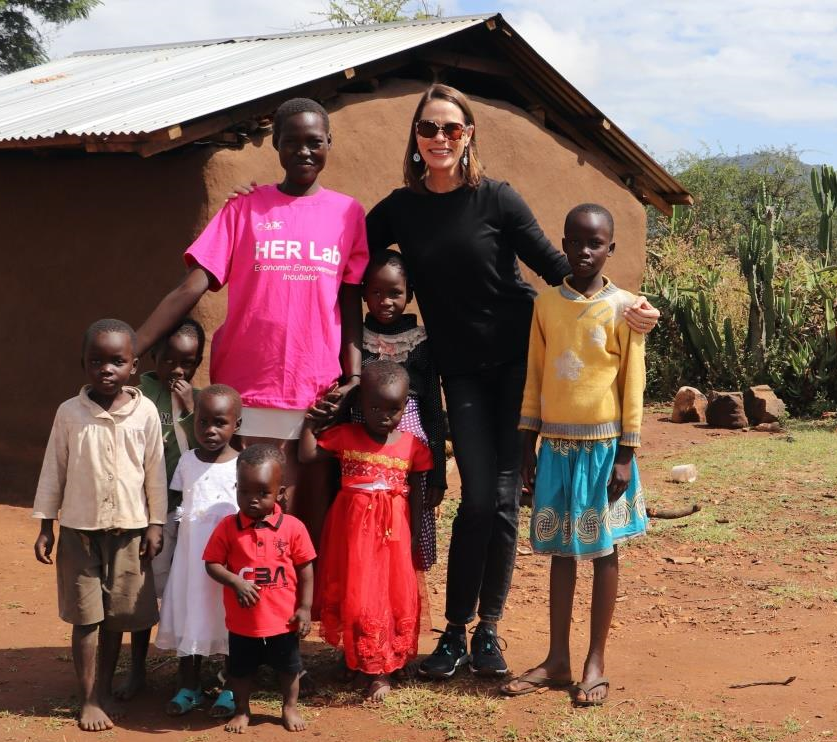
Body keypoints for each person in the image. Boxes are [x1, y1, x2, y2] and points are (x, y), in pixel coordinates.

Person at [229, 84, 659, 679]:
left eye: (452, 129)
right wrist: (263, 204)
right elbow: (337, 245)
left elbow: (560, 268)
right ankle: (454, 632)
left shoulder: (498, 200)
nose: (440, 139)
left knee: (504, 501)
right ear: (415, 137)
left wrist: (628, 306)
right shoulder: (402, 209)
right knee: (478, 497)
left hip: (516, 362)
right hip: (460, 372)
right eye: (429, 129)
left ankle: (489, 632)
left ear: (469, 136)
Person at [134, 97, 369, 542]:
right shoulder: (244, 208)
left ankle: (289, 611)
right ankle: (228, 610)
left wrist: (352, 378)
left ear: (329, 144)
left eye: (314, 142)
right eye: (292, 142)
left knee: (296, 519)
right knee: (237, 512)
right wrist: (135, 347)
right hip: (246, 382)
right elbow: (191, 286)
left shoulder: (347, 213)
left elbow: (350, 300)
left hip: (313, 386)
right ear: (276, 145)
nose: (304, 152)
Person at [501, 204, 647, 705]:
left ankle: (595, 661)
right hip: (556, 448)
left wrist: (628, 451)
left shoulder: (626, 308)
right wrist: (528, 443)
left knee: (604, 551)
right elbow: (536, 376)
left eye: (596, 243)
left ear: (612, 248)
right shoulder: (546, 304)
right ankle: (558, 658)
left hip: (606, 449)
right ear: (562, 243)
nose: (585, 251)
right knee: (562, 553)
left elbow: (633, 383)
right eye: (576, 241)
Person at [32, 318, 167, 731]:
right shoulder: (69, 413)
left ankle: (105, 687)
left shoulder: (145, 412)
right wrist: (45, 524)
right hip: (79, 529)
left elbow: (155, 471)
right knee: (85, 618)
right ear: (84, 364)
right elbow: (54, 469)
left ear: (133, 365)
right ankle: (88, 697)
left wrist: (155, 523)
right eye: (96, 361)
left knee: (116, 618)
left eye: (117, 361)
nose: (106, 369)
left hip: (129, 530)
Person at [299, 360, 433, 702]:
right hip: (351, 536)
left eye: (394, 408)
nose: (384, 415)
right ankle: (357, 658)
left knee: (387, 596)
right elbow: (307, 455)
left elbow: (418, 495)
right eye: (375, 407)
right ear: (359, 405)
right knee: (356, 596)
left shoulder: (412, 445)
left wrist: (416, 535)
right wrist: (311, 424)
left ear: (405, 406)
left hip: (394, 537)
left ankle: (381, 670)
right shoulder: (346, 436)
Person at [119, 317, 204, 702]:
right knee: (141, 591)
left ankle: (189, 675)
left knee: (186, 590)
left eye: (189, 363)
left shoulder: (200, 400)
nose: (179, 370)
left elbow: (206, 447)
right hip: (145, 511)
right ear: (153, 356)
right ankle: (136, 669)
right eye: (170, 361)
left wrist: (189, 409)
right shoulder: (139, 394)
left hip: (185, 512)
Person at [203, 444, 316, 733]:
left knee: (289, 669)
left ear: (279, 493)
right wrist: (235, 581)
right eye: (245, 491)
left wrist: (304, 608)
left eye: (263, 493)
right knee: (240, 671)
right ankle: (242, 710)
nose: (252, 500)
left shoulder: (293, 528)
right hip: (243, 624)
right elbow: (212, 563)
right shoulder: (228, 527)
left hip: (283, 622)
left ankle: (289, 708)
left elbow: (305, 569)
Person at [354, 249, 445, 570]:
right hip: (363, 449)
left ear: (410, 295)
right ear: (363, 293)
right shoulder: (356, 339)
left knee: (407, 517)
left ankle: (402, 583)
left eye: (395, 293)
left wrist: (438, 476)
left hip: (411, 455)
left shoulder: (420, 343)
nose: (385, 301)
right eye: (376, 292)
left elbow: (433, 407)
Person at [155, 384, 242, 718]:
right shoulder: (188, 461)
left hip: (228, 567)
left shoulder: (241, 465)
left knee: (229, 623)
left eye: (219, 422)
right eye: (202, 422)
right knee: (192, 617)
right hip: (191, 564)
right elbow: (177, 506)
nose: (209, 430)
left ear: (237, 423)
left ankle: (231, 689)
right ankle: (189, 687)